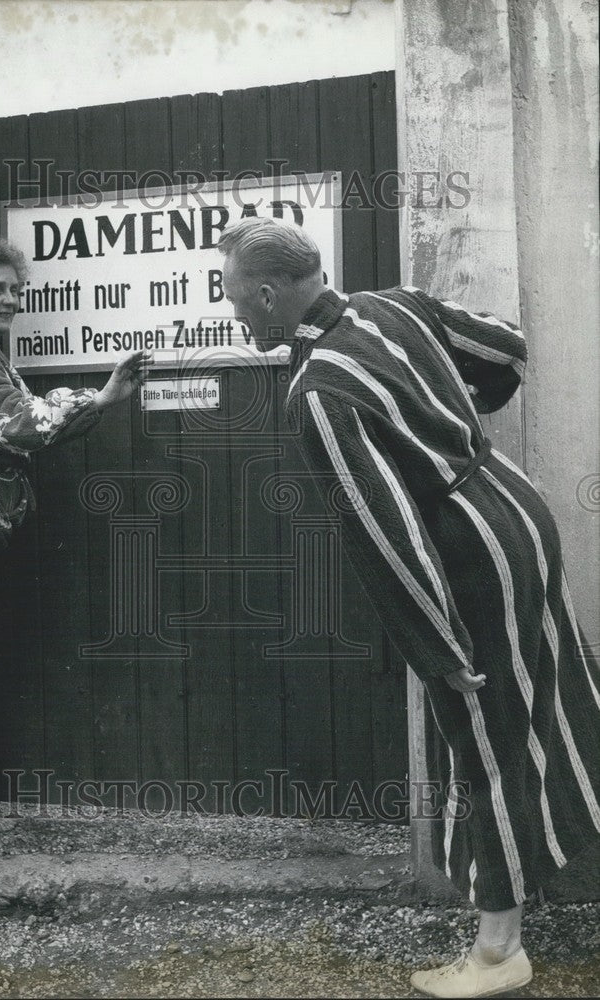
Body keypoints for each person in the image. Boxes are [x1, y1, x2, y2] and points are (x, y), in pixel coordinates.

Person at [218, 216, 600, 998]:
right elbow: (504, 347)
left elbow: (385, 536)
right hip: (515, 510)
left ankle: (499, 953)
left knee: (483, 736)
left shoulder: (318, 390)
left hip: (469, 555)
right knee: (558, 694)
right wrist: (453, 419)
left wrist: (437, 648)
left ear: (266, 293)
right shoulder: (395, 305)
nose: (234, 316)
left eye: (233, 300)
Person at [0, 234, 151, 834]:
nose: (11, 300)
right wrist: (97, 396)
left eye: (17, 290)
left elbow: (29, 428)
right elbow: (17, 425)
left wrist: (99, 405)